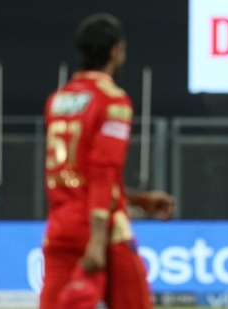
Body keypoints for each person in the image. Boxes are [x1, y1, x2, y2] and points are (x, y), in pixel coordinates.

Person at [40, 13, 175, 309]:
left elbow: (79, 173)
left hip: (59, 228)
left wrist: (137, 199)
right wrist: (98, 239)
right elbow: (102, 171)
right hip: (101, 230)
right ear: (115, 51)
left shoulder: (57, 100)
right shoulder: (113, 101)